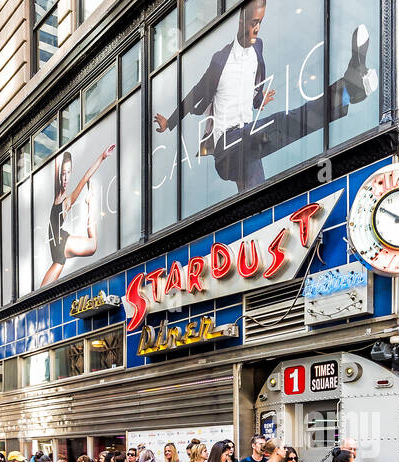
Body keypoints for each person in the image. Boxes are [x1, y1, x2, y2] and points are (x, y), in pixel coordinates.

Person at [153, 0, 376, 192]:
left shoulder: (257, 50)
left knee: (257, 195)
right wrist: (169, 122)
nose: (257, 28)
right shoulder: (220, 61)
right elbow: (195, 93)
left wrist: (259, 99)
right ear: (241, 21)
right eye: (253, 23)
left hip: (247, 143)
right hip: (226, 147)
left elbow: (249, 91)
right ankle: (350, 89)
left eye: (260, 22)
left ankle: (348, 93)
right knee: (280, 123)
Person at [40, 145, 116, 288]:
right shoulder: (58, 195)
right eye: (63, 173)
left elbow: (85, 177)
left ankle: (90, 201)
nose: (65, 178)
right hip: (57, 253)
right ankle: (90, 200)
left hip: (62, 244)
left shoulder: (67, 201)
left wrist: (102, 156)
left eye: (68, 173)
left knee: (93, 245)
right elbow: (57, 163)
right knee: (42, 295)